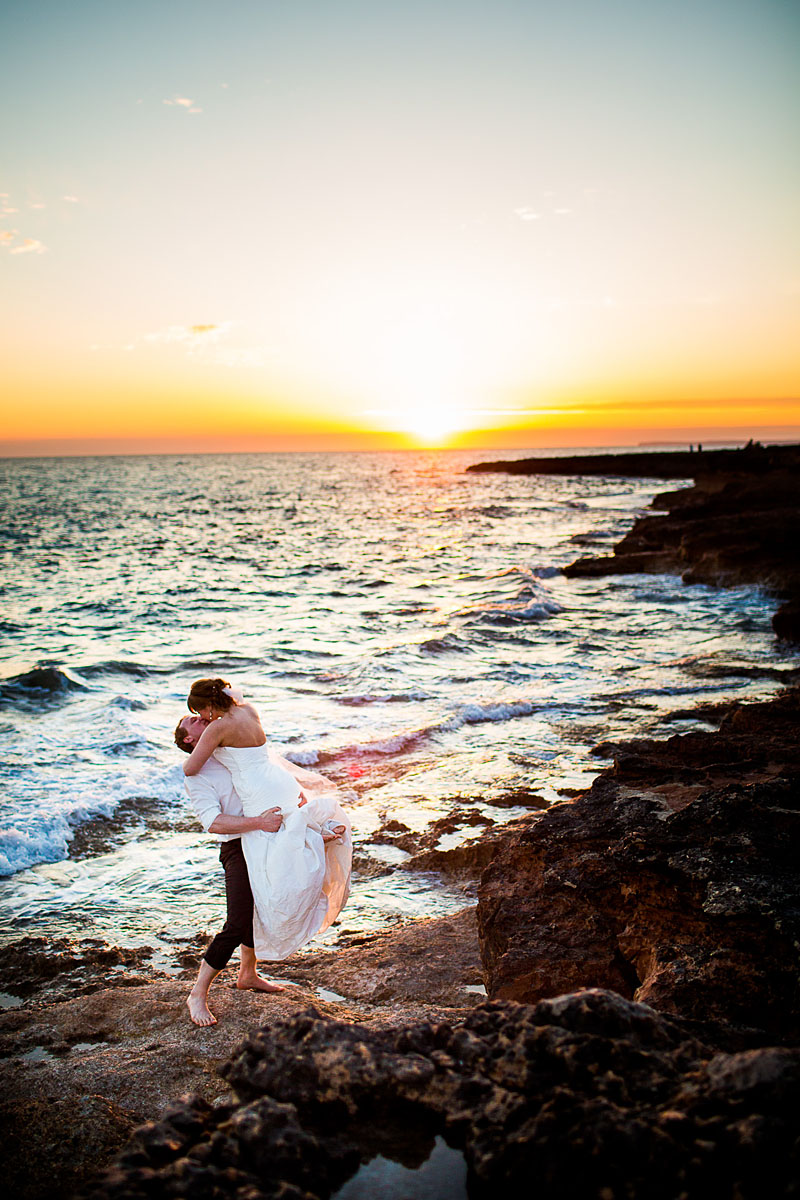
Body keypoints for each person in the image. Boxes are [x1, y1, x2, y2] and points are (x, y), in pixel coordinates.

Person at [182, 678, 352, 968]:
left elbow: (190, 768)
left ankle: (311, 837)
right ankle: (314, 833)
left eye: (202, 712)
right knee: (284, 827)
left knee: (271, 855)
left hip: (258, 789)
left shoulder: (218, 728)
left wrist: (207, 742)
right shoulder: (248, 709)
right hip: (278, 780)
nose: (203, 718)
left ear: (210, 705)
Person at [175, 712, 286, 1026]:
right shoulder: (196, 775)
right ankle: (197, 994)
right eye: (191, 721)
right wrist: (259, 822)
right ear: (188, 740)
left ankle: (247, 974)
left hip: (264, 841)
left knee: (259, 909)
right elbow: (213, 822)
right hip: (237, 847)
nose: (200, 718)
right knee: (236, 922)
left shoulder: (228, 752)